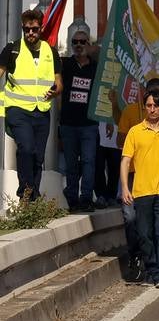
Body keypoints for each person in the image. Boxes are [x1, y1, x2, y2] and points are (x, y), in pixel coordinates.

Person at [2, 8, 62, 200]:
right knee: (26, 148)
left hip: (42, 111)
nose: (30, 33)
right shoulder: (12, 49)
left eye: (34, 29)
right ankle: (25, 193)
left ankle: (32, 197)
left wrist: (56, 90)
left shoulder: (51, 52)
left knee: (38, 157)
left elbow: (59, 83)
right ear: (22, 28)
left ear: (40, 28)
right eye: (27, 29)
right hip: (17, 110)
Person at [120, 88, 159, 288]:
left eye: (156, 106)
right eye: (149, 106)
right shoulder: (135, 131)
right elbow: (126, 161)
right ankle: (152, 268)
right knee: (144, 232)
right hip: (141, 189)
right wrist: (125, 187)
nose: (152, 110)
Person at [58, 22, 99, 211]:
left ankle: (86, 198)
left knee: (89, 162)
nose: (79, 45)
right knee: (71, 164)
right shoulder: (65, 64)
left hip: (89, 124)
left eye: (83, 41)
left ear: (88, 44)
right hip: (68, 124)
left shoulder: (96, 68)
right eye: (75, 42)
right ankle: (72, 198)